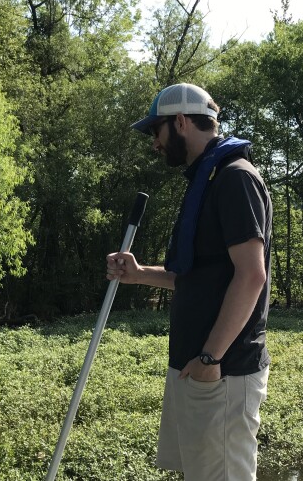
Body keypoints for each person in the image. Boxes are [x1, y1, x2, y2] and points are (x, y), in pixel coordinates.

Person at [106, 83, 272, 480]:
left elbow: (251, 276)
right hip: (196, 365)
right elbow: (201, 279)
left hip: (223, 370)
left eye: (156, 132)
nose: (154, 144)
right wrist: (139, 273)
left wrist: (210, 358)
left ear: (180, 122)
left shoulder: (235, 178)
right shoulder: (208, 179)